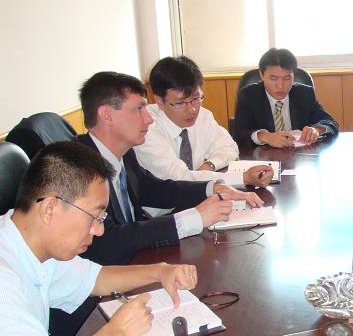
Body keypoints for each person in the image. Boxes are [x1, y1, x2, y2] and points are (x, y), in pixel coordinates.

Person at [0, 141, 198, 336]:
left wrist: (160, 271)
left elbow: (97, 279)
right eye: (95, 217)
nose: (100, 230)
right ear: (51, 208)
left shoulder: (28, 241)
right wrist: (118, 331)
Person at [76, 71, 264, 267]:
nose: (149, 119)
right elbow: (104, 242)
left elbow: (152, 188)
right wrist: (191, 219)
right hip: (105, 274)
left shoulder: (124, 152)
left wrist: (214, 188)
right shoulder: (77, 166)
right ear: (106, 115)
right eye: (139, 109)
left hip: (138, 259)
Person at [134, 56, 274, 187]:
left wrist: (209, 165)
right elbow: (179, 179)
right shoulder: (146, 126)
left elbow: (230, 147)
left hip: (200, 195)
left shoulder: (203, 116)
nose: (192, 109)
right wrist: (243, 178)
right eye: (180, 103)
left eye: (196, 98)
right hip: (163, 204)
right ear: (159, 100)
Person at [233, 48, 339, 148]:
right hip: (262, 156)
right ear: (261, 75)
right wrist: (265, 136)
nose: (280, 86)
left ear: (293, 76)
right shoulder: (249, 95)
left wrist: (316, 130)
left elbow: (330, 122)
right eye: (273, 78)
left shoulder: (305, 94)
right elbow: (238, 133)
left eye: (287, 78)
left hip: (299, 155)